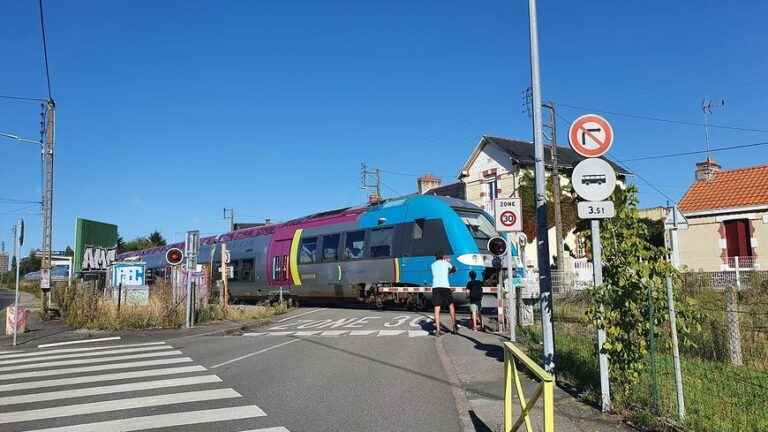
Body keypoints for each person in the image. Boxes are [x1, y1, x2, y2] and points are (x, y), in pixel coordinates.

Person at [431, 251, 457, 336]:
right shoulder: (446, 263)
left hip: (436, 287)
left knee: (437, 308)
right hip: (445, 287)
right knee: (451, 305)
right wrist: (450, 272)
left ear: (435, 257)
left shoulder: (433, 265)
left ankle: (438, 330)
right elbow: (454, 269)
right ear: (443, 257)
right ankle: (454, 326)